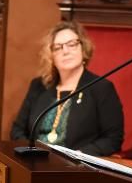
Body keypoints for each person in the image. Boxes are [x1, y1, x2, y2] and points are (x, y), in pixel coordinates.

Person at [10, 20, 124, 156]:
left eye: (72, 45)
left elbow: (113, 138)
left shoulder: (101, 88)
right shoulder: (38, 86)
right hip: (35, 163)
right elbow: (17, 130)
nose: (65, 51)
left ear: (83, 48)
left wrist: (79, 155)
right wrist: (30, 152)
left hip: (75, 168)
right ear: (51, 55)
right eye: (57, 47)